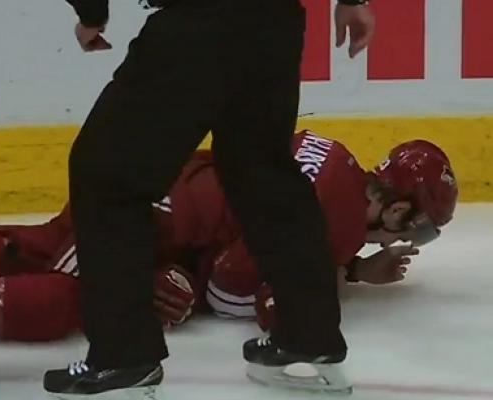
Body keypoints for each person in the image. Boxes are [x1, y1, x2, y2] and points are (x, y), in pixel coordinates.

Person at [0, 132, 456, 355]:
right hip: (142, 217)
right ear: (395, 205)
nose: (411, 235)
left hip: (138, 181)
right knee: (64, 301)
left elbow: (233, 218)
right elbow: (235, 291)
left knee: (2, 249)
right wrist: (329, 279)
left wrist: (346, 265)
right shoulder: (332, 219)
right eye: (417, 223)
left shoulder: (332, 159)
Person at [47, 0, 379, 396]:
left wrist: (91, 14)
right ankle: (308, 335)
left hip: (196, 24)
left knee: (107, 175)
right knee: (262, 176)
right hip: (275, 24)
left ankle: (123, 354)